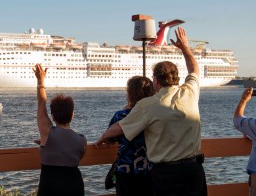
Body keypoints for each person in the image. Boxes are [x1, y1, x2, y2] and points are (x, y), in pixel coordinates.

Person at [96, 27, 207, 196]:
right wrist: (185, 47)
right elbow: (194, 70)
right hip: (194, 170)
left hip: (167, 174)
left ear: (155, 80)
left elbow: (120, 128)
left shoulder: (148, 104)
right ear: (176, 77)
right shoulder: (190, 92)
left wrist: (103, 137)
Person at [33, 64, 87, 196]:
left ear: (52, 115)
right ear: (72, 114)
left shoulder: (48, 133)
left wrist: (41, 81)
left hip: (50, 186)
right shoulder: (82, 140)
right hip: (75, 185)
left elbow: (41, 104)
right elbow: (76, 157)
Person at [107, 76, 154, 196]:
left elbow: (111, 138)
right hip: (149, 170)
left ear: (130, 93)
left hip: (125, 170)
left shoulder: (120, 115)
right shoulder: (154, 114)